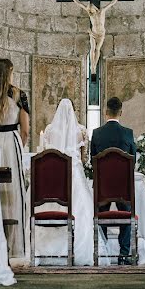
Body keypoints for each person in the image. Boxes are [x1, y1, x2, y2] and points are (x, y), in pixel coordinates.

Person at [0, 58, 30, 262]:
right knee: (13, 194)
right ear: (8, 74)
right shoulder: (19, 95)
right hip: (11, 142)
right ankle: (13, 247)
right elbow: (25, 130)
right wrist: (19, 146)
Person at [36, 99, 95, 266]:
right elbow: (83, 159)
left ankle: (45, 248)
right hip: (74, 173)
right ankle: (76, 249)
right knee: (81, 207)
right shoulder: (81, 130)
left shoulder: (49, 130)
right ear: (74, 113)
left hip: (53, 176)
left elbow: (46, 153)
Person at [90, 96, 137, 263]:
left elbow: (93, 161)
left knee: (101, 212)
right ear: (121, 112)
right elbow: (133, 161)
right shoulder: (128, 133)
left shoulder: (96, 134)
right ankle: (124, 254)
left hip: (103, 188)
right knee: (126, 211)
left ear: (105, 112)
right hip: (124, 187)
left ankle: (102, 252)